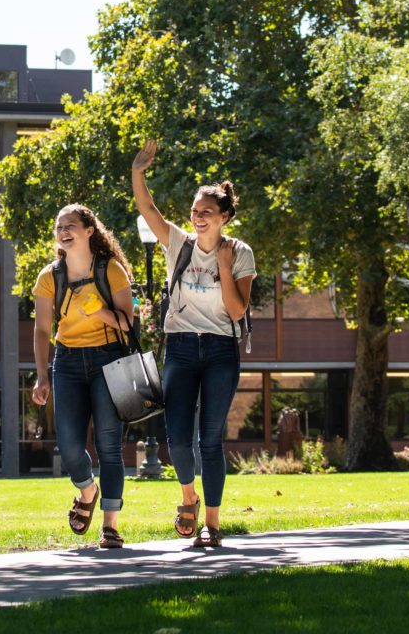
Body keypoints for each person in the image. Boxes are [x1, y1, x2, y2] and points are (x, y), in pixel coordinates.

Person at [132, 138, 257, 549]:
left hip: (221, 350)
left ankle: (213, 524)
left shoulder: (239, 254)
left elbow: (238, 312)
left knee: (210, 439)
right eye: (194, 212)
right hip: (182, 348)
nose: (198, 217)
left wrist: (223, 267)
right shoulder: (177, 244)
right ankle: (189, 497)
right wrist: (138, 172)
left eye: (206, 212)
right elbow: (148, 209)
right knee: (177, 438)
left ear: (224, 216)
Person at [30, 203, 136, 549]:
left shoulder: (112, 271)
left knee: (109, 446)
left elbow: (127, 324)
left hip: (109, 361)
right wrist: (42, 376)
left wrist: (100, 311)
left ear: (89, 230)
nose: (63, 231)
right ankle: (87, 489)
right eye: (59, 226)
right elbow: (42, 328)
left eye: (70, 225)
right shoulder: (50, 277)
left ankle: (110, 525)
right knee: (71, 445)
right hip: (69, 363)